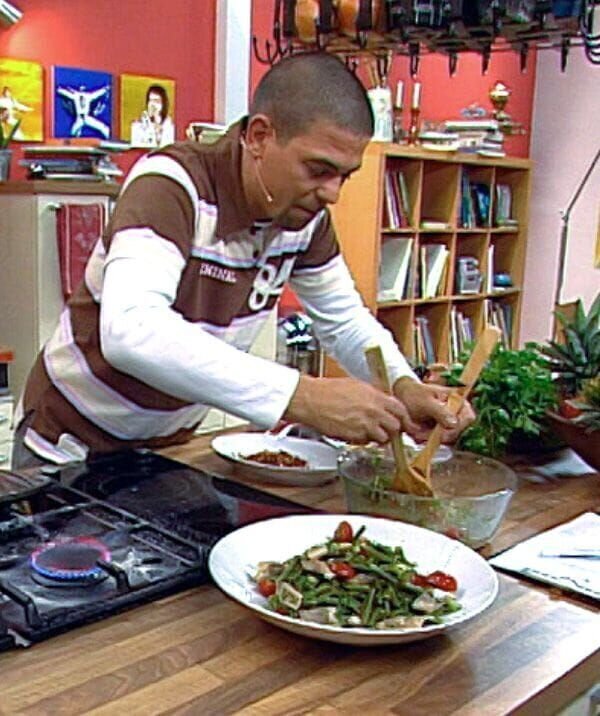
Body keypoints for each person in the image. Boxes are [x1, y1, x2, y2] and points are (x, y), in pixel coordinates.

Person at [13, 53, 473, 469]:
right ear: (259, 136)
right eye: (318, 170)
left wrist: (403, 386)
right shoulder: (172, 183)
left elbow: (346, 324)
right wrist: (302, 396)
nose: (332, 193)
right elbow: (131, 331)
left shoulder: (304, 217)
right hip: (68, 444)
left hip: (165, 447)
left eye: (344, 176)